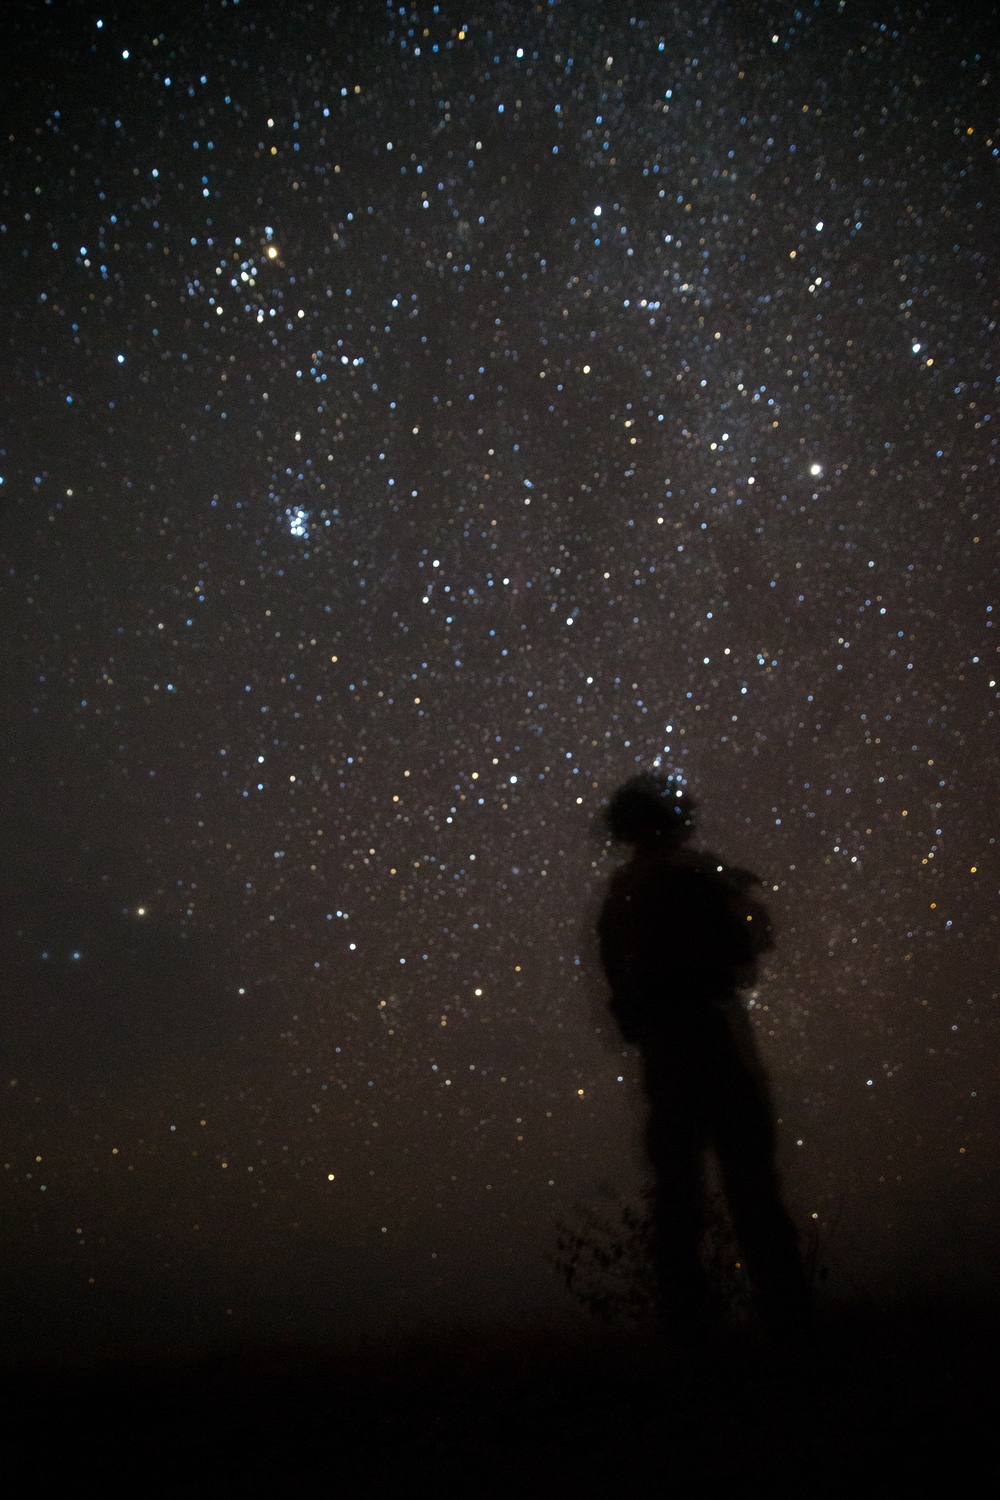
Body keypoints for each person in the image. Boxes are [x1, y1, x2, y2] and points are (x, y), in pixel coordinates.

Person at [597, 774, 811, 1343]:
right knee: (751, 1185)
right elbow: (747, 949)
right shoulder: (696, 876)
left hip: (664, 1051)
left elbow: (620, 987)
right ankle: (789, 1327)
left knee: (678, 1193)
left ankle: (687, 1333)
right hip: (713, 1036)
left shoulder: (620, 895)